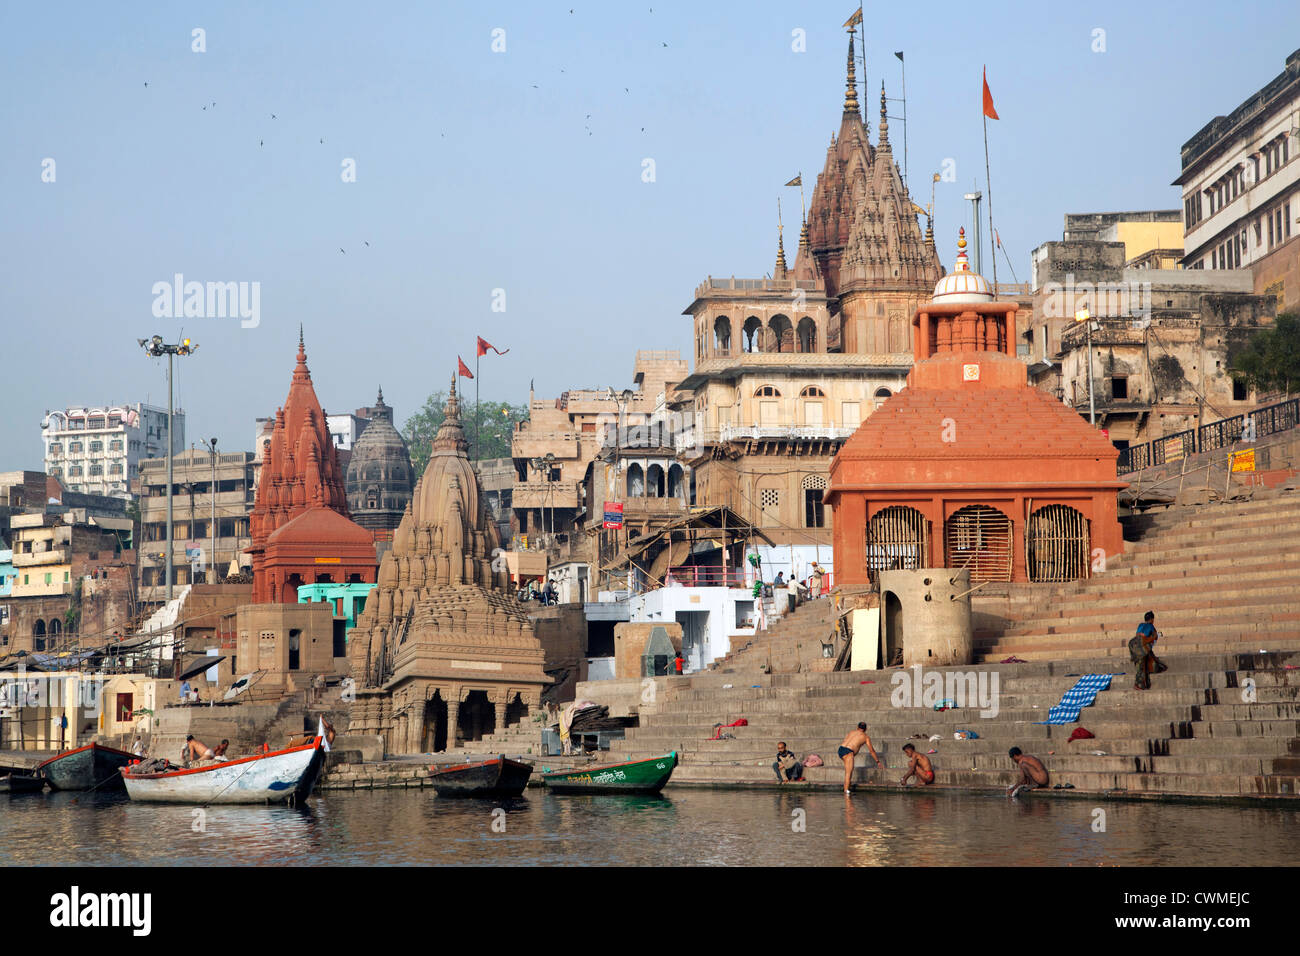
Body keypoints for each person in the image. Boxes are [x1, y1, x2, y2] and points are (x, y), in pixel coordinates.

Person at [838, 722, 883, 793]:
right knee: (848, 773)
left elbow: (846, 740)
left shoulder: (852, 732)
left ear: (857, 727)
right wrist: (877, 761)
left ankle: (847, 786)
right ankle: (846, 791)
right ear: (865, 729)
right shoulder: (865, 737)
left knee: (848, 769)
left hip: (841, 749)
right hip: (848, 752)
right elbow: (872, 751)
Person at [1129, 610, 1166, 691]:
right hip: (1141, 648)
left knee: (1140, 665)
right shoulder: (1151, 626)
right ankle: (1139, 684)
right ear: (1152, 619)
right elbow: (1152, 637)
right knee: (1142, 666)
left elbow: (1138, 635)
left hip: (1133, 644)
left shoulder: (1140, 625)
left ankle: (1140, 684)